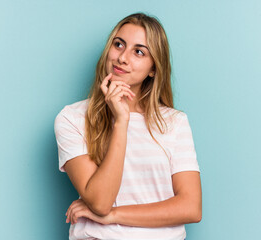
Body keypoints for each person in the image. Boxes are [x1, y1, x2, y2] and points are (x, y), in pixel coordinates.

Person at [54, 12, 202, 240]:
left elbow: (190, 207)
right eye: (118, 44)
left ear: (153, 68)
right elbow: (100, 202)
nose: (122, 58)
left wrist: (114, 215)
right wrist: (121, 121)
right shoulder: (72, 118)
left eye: (139, 52)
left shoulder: (174, 122)